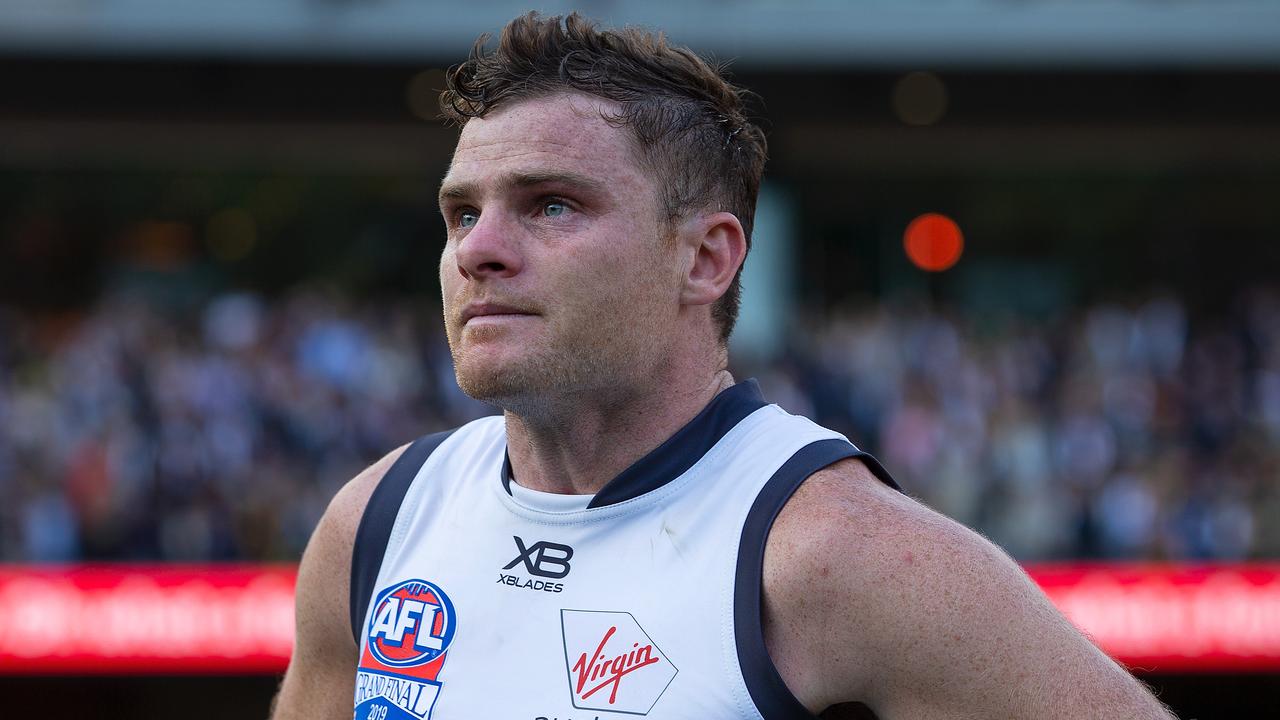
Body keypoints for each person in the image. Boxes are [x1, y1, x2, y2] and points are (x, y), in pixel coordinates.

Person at [271, 12, 1174, 720]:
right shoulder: (378, 522)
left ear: (706, 260)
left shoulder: (845, 554)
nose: (481, 251)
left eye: (551, 205)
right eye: (462, 214)